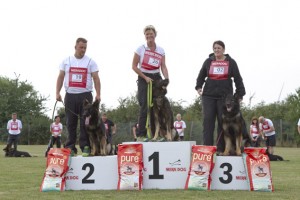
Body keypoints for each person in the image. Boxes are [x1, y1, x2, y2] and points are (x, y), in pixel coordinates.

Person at [195, 40, 246, 152]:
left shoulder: (231, 62)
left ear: (223, 49)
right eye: (215, 48)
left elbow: (238, 78)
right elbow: (201, 76)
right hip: (208, 95)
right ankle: (207, 148)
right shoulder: (208, 61)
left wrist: (240, 93)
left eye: (219, 48)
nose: (216, 50)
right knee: (208, 121)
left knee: (222, 122)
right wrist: (199, 87)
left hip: (224, 97)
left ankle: (220, 149)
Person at [56, 37, 101, 157]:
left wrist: (98, 94)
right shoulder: (66, 61)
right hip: (70, 95)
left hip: (85, 96)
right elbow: (60, 77)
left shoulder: (91, 62)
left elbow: (96, 78)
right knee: (71, 122)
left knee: (85, 122)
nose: (83, 50)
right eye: (81, 47)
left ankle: (85, 146)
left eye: (85, 48)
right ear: (75, 47)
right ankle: (70, 147)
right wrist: (57, 92)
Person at [132, 25, 170, 142]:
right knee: (145, 105)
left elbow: (163, 66)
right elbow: (134, 66)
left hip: (156, 77)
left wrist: (166, 79)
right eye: (147, 34)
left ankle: (158, 133)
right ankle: (141, 134)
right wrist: (145, 77)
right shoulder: (140, 49)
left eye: (151, 34)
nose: (149, 36)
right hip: (144, 77)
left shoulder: (161, 50)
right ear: (145, 36)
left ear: (155, 35)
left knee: (160, 104)